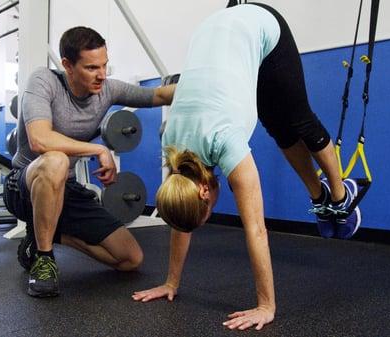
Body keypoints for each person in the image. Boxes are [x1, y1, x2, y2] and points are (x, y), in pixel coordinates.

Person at [132, 3, 362, 331]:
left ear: (202, 189)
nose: (212, 210)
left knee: (300, 120)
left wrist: (266, 305)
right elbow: (182, 217)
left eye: (207, 211)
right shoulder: (174, 147)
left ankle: (340, 197)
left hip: (259, 24)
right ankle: (318, 198)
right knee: (278, 129)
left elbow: (255, 230)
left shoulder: (226, 141)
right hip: (214, 32)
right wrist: (171, 283)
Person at [3, 26, 175, 298]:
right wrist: (97, 150)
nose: (102, 75)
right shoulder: (43, 81)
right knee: (56, 160)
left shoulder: (106, 89)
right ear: (68, 66)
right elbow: (40, 140)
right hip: (23, 185)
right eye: (92, 67)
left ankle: (43, 238)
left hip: (66, 189)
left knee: (130, 259)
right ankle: (45, 260)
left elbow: (159, 96)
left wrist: (203, 84)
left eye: (105, 65)